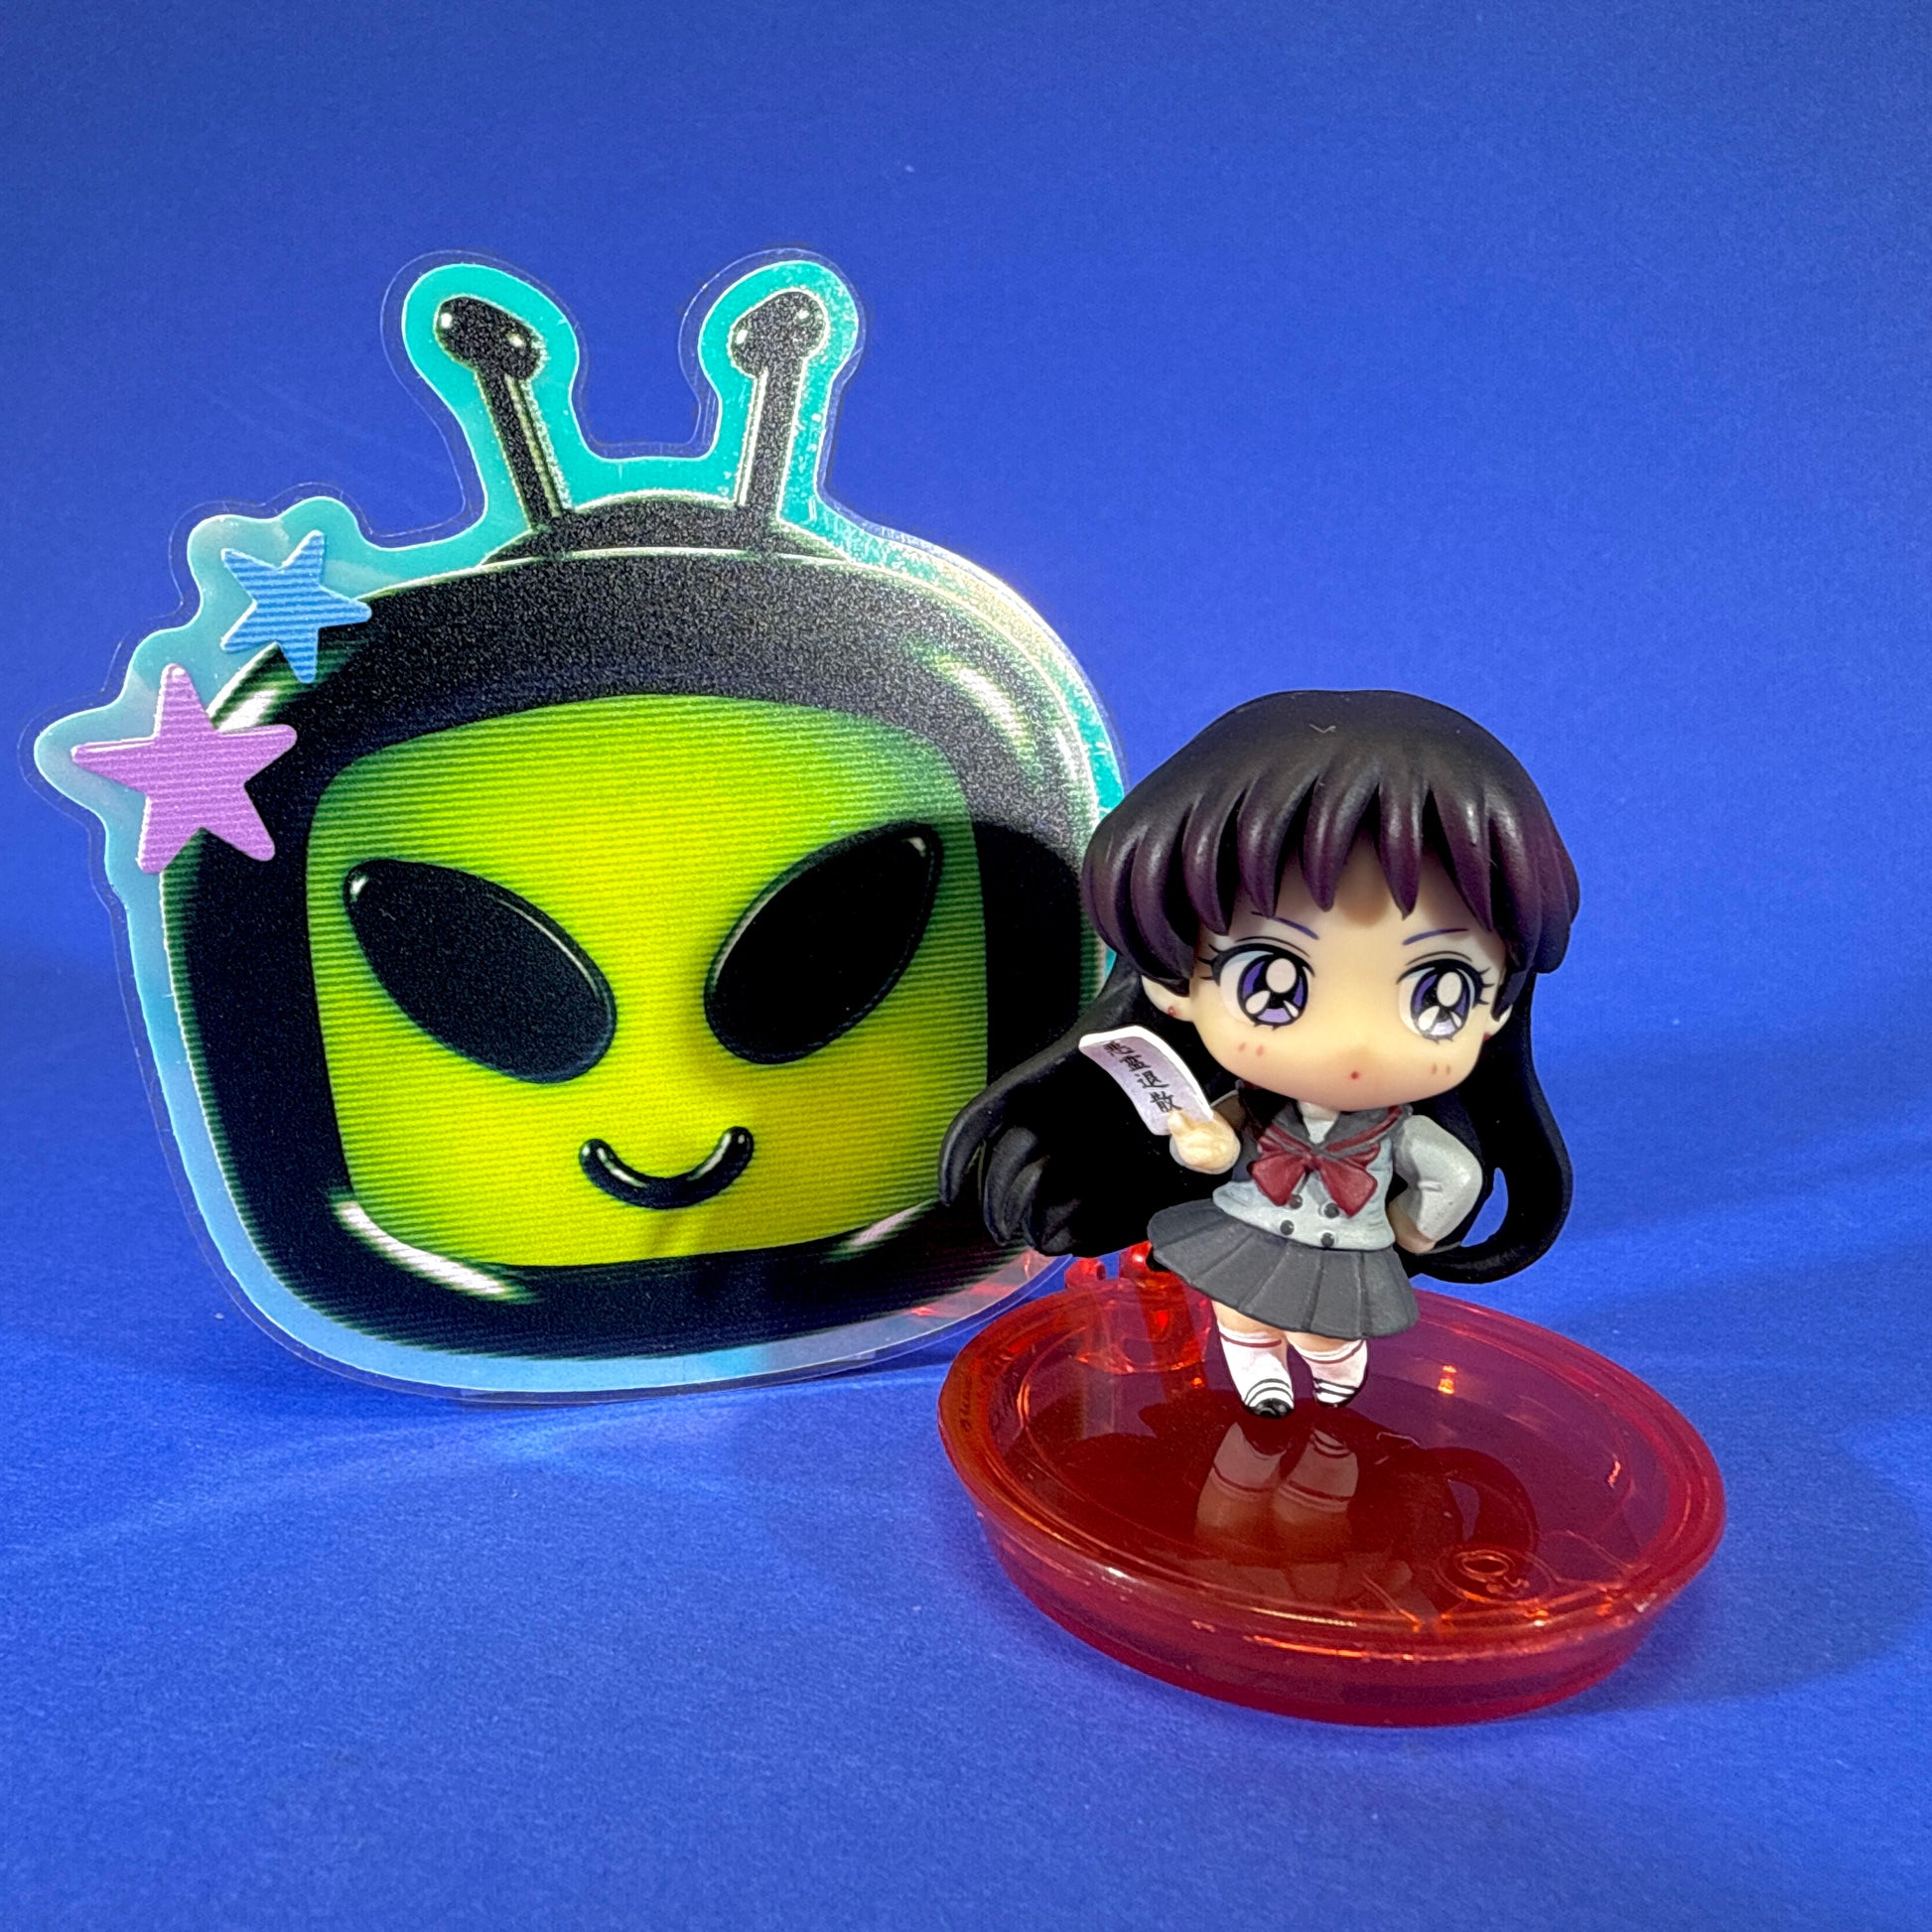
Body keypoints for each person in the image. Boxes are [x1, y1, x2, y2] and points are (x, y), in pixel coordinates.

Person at [940, 689, 1579, 1412]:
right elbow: (1217, 1139)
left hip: (1345, 1247)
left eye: (1439, 991)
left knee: (1332, 1323)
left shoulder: (1398, 1131)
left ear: (1497, 1006)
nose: (1352, 1040)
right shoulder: (1255, 1104)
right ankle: (1260, 1372)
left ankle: (1332, 1365)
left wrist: (1412, 1229)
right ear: (1173, 982)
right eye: (1274, 983)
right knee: (1239, 1307)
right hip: (1249, 1225)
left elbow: (1451, 1175)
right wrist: (1203, 1143)